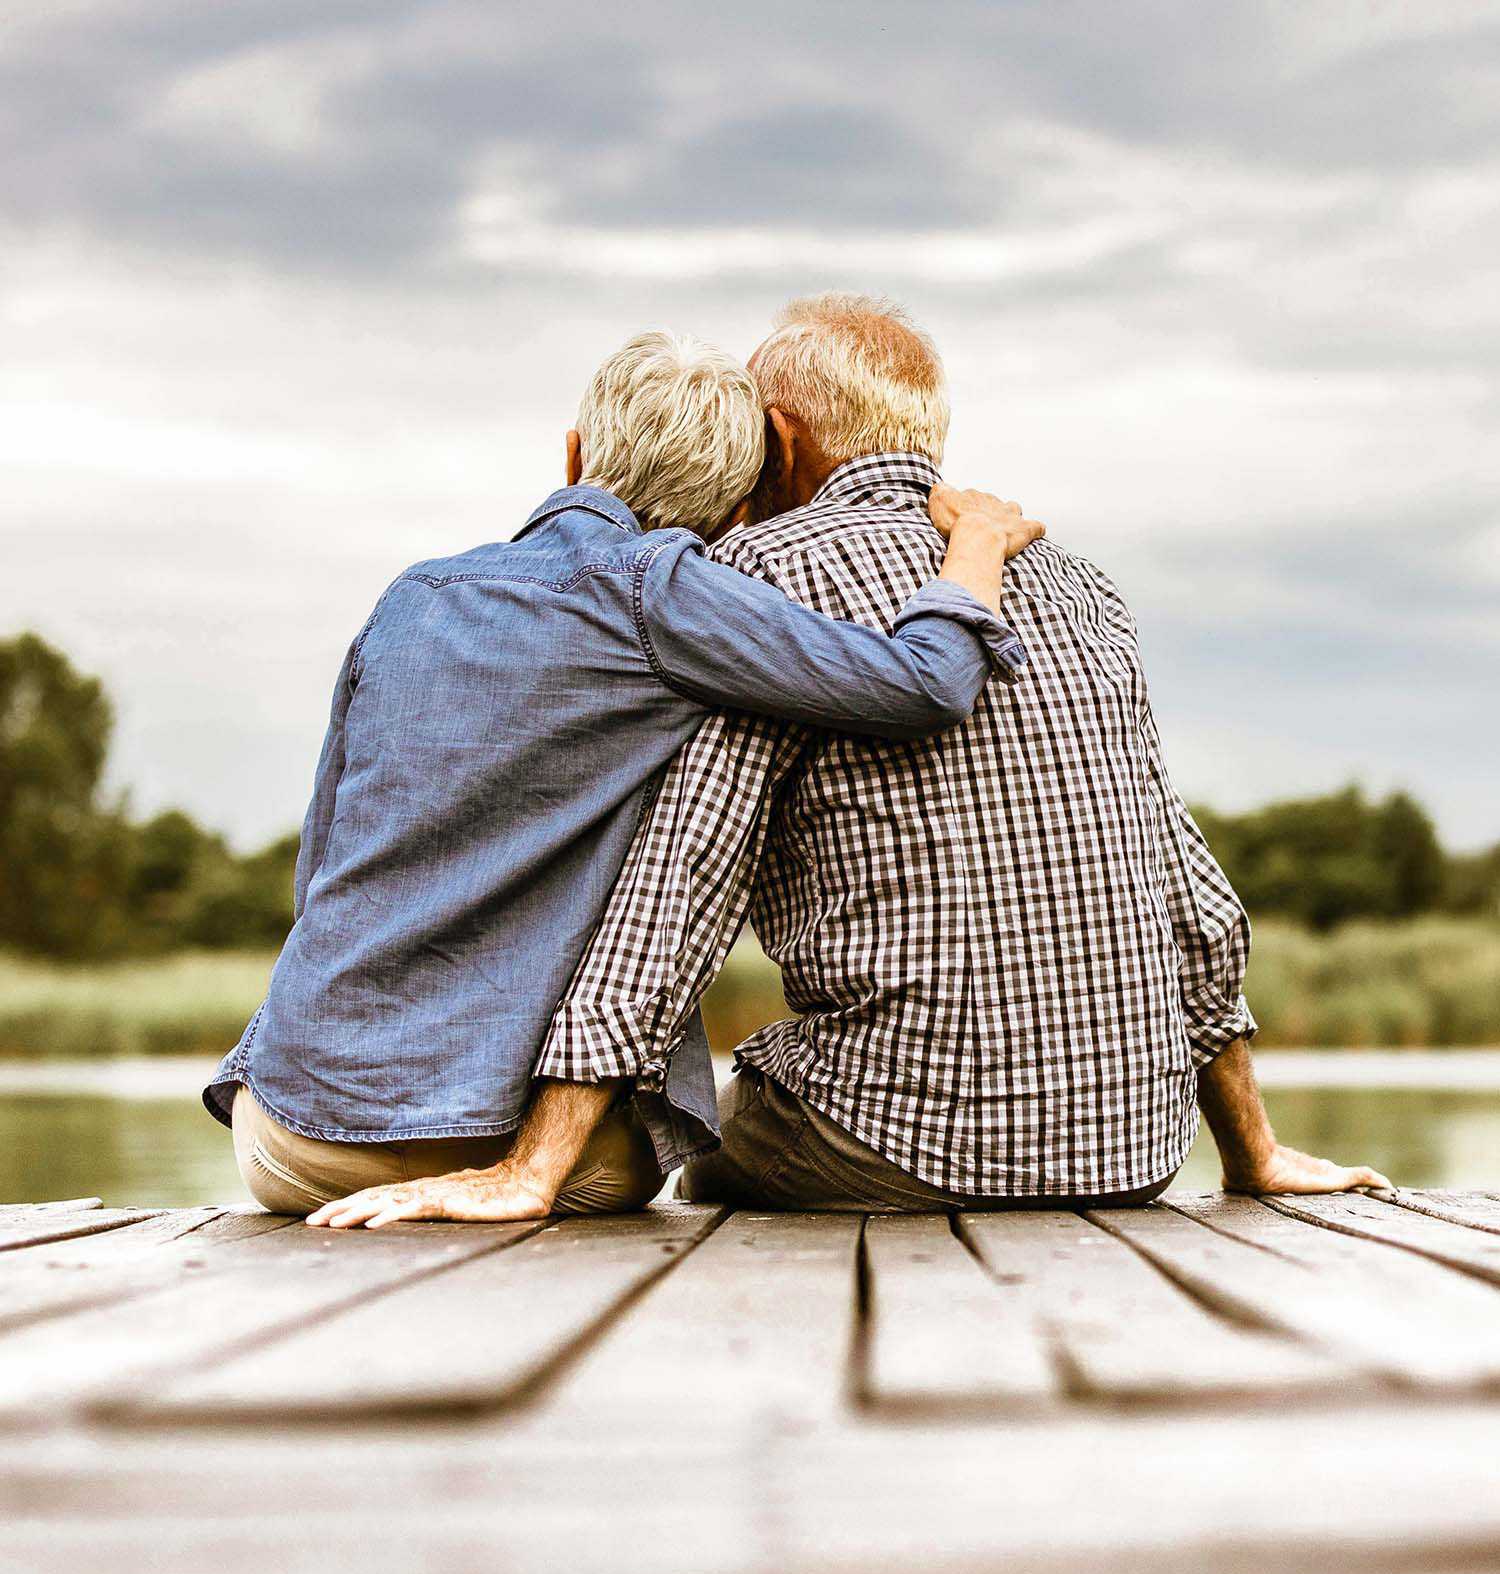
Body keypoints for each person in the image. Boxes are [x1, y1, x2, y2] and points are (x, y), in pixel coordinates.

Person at [314, 293, 1389, 1231]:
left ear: (776, 443)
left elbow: (681, 884)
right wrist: (1251, 1153)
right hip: (1133, 1154)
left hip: (891, 1140)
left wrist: (531, 1168)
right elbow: (1187, 887)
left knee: (699, 1142)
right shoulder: (1081, 585)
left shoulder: (748, 578)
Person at [207, 327, 1034, 1217]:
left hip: (293, 1133)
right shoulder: (672, 595)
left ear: (572, 455)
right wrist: (975, 547)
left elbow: (319, 868)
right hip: (513, 1143)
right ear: (736, 514)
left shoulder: (413, 596)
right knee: (655, 1163)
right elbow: (925, 683)